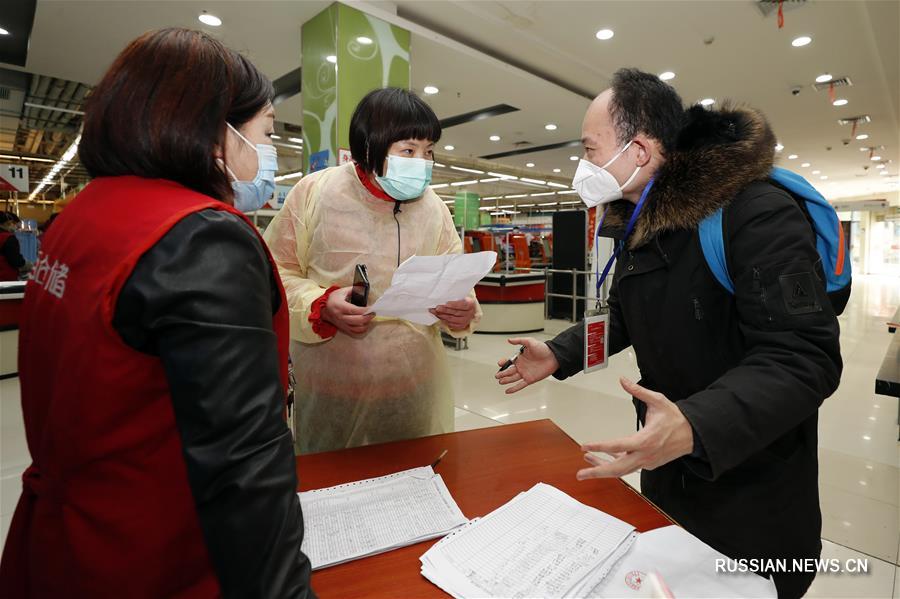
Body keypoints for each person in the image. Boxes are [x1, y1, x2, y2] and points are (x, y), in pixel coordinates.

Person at [495, 68, 841, 598]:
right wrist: (559, 352)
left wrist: (697, 423)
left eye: (590, 150)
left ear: (637, 150)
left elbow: (804, 357)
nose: (583, 166)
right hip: (666, 467)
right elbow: (630, 313)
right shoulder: (636, 220)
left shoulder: (754, 213)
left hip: (754, 485)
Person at [0, 29, 315, 598]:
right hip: (164, 557)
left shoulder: (83, 216)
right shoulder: (200, 238)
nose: (267, 155)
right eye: (266, 133)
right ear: (216, 133)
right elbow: (242, 467)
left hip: (69, 540)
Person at [265, 88, 481, 454]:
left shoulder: (435, 210)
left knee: (414, 480)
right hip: (332, 388)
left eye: (428, 151)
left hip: (413, 387)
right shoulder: (317, 193)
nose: (422, 162)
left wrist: (461, 310)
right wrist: (322, 303)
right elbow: (273, 274)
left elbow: (456, 278)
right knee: (335, 489)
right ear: (369, 148)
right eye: (408, 150)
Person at [0, 212, 26, 281]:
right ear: (4, 224)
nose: (13, 225)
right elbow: (17, 261)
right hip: (5, 279)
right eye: (10, 223)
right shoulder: (8, 238)